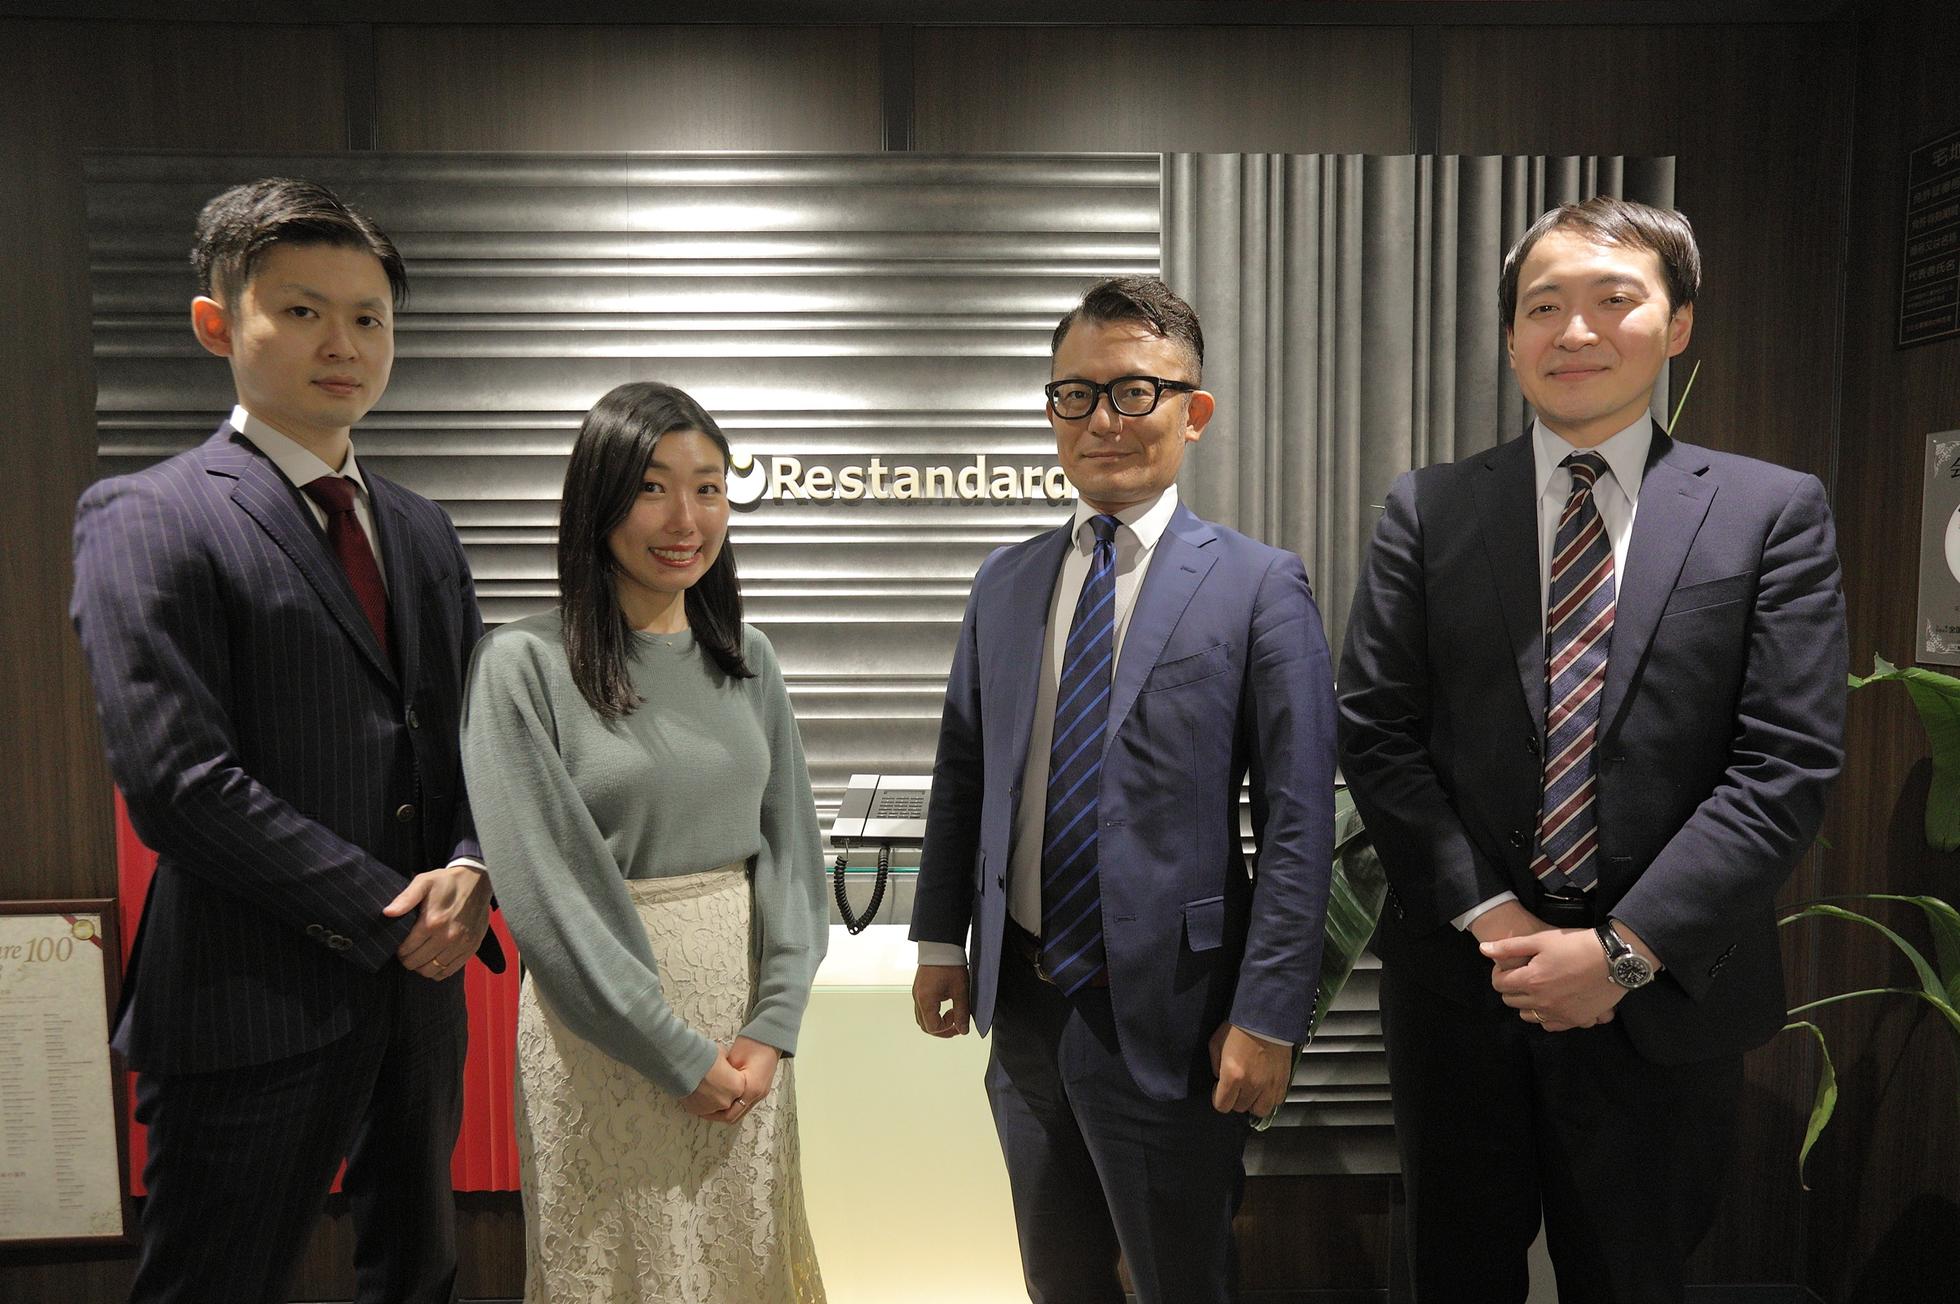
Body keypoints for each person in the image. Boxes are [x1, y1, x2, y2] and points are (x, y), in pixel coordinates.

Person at [1337, 197, 1848, 1302]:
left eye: (1614, 299)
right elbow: (1375, 729)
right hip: (1465, 985)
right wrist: (1498, 919)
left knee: (1633, 1277)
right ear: (1510, 336)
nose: (1574, 331)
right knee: (1454, 1273)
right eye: (1543, 306)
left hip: (1661, 998)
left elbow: (1784, 762)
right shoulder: (1427, 509)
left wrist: (1620, 952)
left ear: (1677, 324)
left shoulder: (1768, 511)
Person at [70, 177, 502, 1303]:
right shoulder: (149, 514)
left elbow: (475, 736)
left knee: (419, 1275)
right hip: (246, 997)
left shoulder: (419, 527)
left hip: (418, 1005)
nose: (342, 344)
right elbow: (178, 782)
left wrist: (472, 865)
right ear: (218, 324)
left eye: (368, 317)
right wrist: (391, 912)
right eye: (302, 310)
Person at [908, 276, 1337, 1304]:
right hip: (1024, 1008)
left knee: (1181, 1277)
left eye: (1135, 391)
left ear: (1195, 411)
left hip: (1174, 1015)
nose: (1103, 420)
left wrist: (1269, 1014)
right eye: (1076, 394)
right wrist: (937, 940)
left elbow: (1298, 821)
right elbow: (964, 770)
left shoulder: (1257, 583)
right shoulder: (1005, 581)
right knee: (1056, 1276)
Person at [461, 381, 828, 1303]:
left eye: (708, 488)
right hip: (606, 1032)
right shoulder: (521, 665)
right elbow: (546, 892)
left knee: (743, 1262)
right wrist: (671, 1052)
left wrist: (773, 1025)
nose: (684, 519)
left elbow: (791, 851)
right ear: (599, 499)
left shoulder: (748, 657)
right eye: (652, 487)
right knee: (620, 1266)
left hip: (744, 1034)